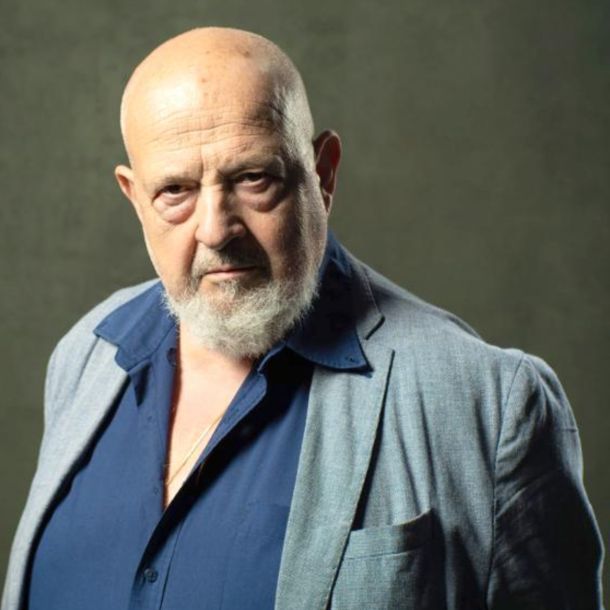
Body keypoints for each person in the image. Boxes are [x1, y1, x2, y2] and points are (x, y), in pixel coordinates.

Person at [2, 27, 604, 610]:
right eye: (175, 191)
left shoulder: (491, 405)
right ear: (136, 198)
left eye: (253, 178)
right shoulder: (87, 355)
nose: (216, 230)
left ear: (323, 173)